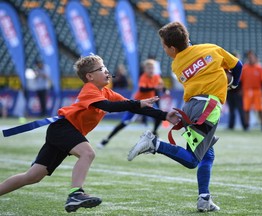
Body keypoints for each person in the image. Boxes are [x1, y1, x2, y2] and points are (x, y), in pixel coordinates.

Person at [0, 54, 179, 213]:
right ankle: (76, 193)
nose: (107, 70)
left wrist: (165, 115)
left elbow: (133, 106)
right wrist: (138, 103)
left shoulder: (106, 92)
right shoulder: (90, 90)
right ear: (90, 76)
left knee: (33, 176)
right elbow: (108, 107)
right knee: (87, 153)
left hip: (64, 132)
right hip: (64, 128)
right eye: (102, 68)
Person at [127, 22, 242, 212]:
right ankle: (155, 144)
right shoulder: (211, 48)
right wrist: (233, 83)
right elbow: (237, 66)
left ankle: (204, 198)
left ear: (172, 48)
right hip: (208, 106)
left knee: (207, 152)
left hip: (191, 107)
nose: (164, 50)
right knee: (192, 160)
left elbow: (197, 64)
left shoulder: (176, 64)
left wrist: (221, 76)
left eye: (164, 46)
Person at [97, 59, 165, 148]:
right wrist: (155, 88)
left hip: (148, 102)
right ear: (145, 69)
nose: (151, 70)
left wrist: (164, 90)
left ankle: (154, 134)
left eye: (152, 68)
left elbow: (162, 87)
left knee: (159, 116)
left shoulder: (156, 77)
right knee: (124, 123)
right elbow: (143, 89)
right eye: (149, 68)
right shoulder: (143, 77)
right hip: (137, 103)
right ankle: (106, 139)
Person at [241, 50, 262, 131]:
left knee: (260, 109)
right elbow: (241, 80)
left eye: (252, 56)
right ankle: (246, 125)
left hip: (257, 91)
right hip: (247, 90)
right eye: (249, 57)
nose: (250, 58)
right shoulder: (244, 68)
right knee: (246, 109)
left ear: (255, 58)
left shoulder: (259, 68)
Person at [226, 52, 247, 130]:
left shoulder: (242, 68)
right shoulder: (228, 67)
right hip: (230, 91)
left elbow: (244, 81)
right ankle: (231, 126)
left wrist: (242, 90)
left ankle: (244, 125)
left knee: (241, 109)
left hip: (238, 92)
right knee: (231, 110)